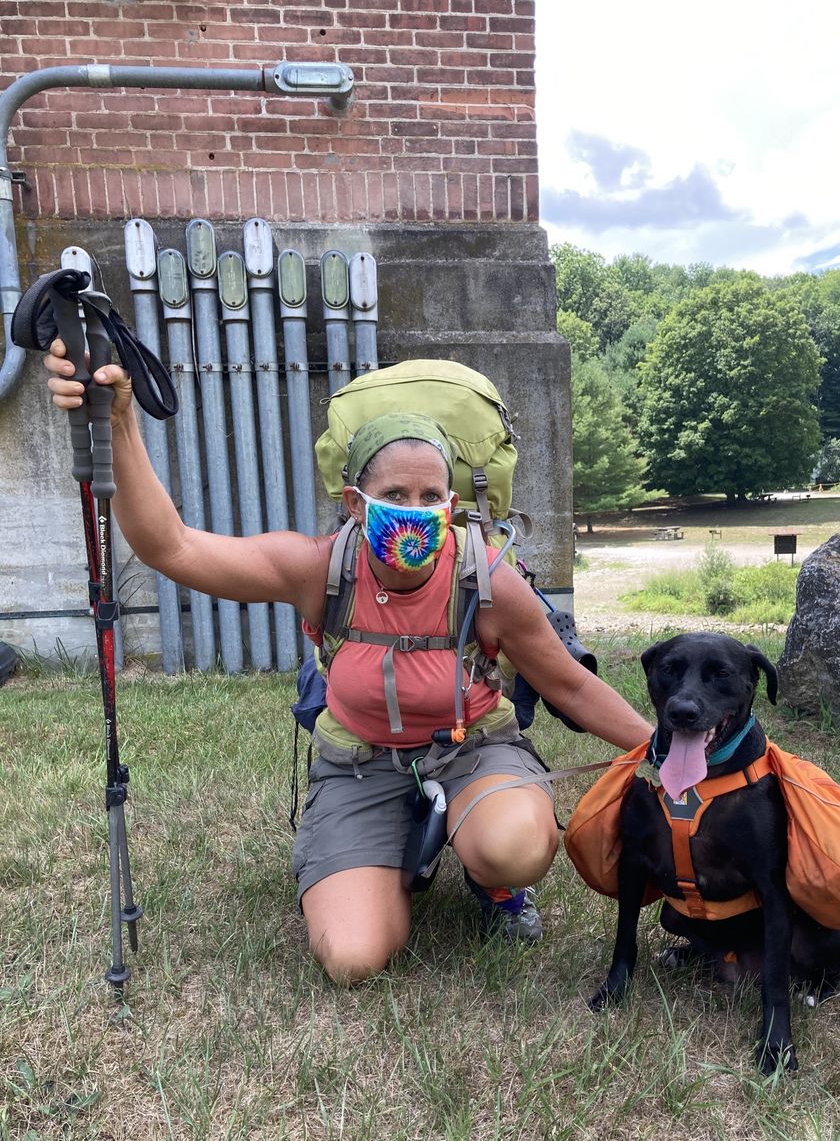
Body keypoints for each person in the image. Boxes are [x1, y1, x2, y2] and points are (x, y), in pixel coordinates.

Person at [45, 341, 654, 984]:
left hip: (472, 748)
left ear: (451, 504)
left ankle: (495, 885)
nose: (414, 510)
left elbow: (572, 688)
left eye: (430, 495)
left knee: (515, 848)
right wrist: (119, 424)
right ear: (355, 502)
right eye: (395, 492)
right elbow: (172, 548)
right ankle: (393, 856)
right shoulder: (318, 568)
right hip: (361, 766)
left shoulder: (488, 582)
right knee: (353, 958)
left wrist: (672, 751)